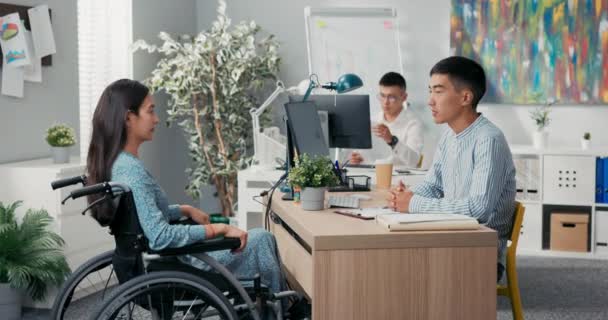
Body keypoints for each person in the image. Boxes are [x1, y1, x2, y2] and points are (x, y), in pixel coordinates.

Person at [86, 79, 285, 297]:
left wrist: (182, 209)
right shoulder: (131, 170)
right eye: (150, 111)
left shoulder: (120, 163)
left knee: (256, 239)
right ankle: (277, 306)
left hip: (164, 262)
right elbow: (160, 235)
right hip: (180, 266)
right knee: (261, 239)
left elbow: (142, 214)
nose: (157, 119)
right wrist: (217, 229)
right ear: (128, 118)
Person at [386, 56, 516, 282]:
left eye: (438, 91)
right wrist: (406, 198)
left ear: (465, 97)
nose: (430, 101)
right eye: (430, 91)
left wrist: (414, 204)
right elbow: (434, 183)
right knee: (387, 263)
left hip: (480, 253)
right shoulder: (449, 136)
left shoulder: (489, 140)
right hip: (450, 237)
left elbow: (478, 210)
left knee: (396, 270)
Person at [349, 72, 424, 168]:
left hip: (401, 179)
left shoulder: (413, 123)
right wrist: (356, 160)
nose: (385, 102)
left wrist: (392, 140)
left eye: (391, 97)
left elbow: (414, 161)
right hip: (372, 176)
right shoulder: (372, 121)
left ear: (404, 97)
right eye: (382, 96)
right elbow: (366, 157)